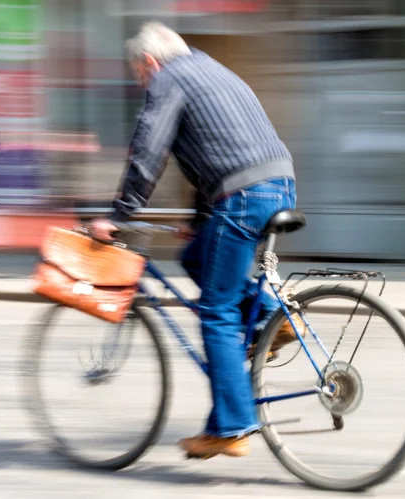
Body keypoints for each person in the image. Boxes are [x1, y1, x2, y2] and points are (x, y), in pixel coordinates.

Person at [90, 21, 303, 459]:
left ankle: (232, 427)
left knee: (216, 312)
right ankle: (273, 318)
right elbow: (216, 146)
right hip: (279, 182)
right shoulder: (213, 69)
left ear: (149, 61)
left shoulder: (168, 78)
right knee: (194, 257)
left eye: (139, 75)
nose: (142, 83)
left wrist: (119, 214)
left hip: (243, 195)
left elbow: (149, 147)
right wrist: (200, 219)